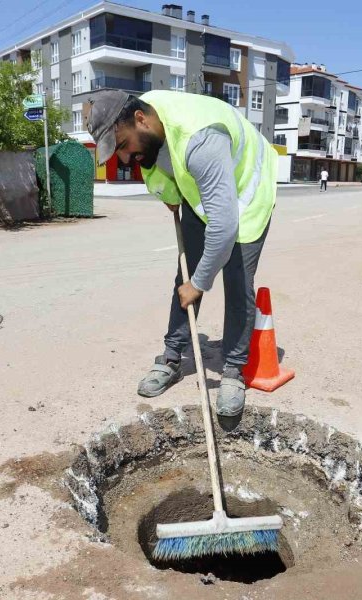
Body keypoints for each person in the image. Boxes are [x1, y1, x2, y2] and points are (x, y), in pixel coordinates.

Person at [84, 90, 278, 417]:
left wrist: (200, 284)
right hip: (205, 193)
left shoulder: (200, 141)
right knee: (185, 272)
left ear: (140, 120)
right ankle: (172, 357)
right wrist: (170, 193)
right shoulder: (147, 125)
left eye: (122, 146)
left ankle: (233, 369)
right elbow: (152, 162)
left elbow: (225, 225)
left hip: (246, 193)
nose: (126, 158)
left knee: (236, 278)